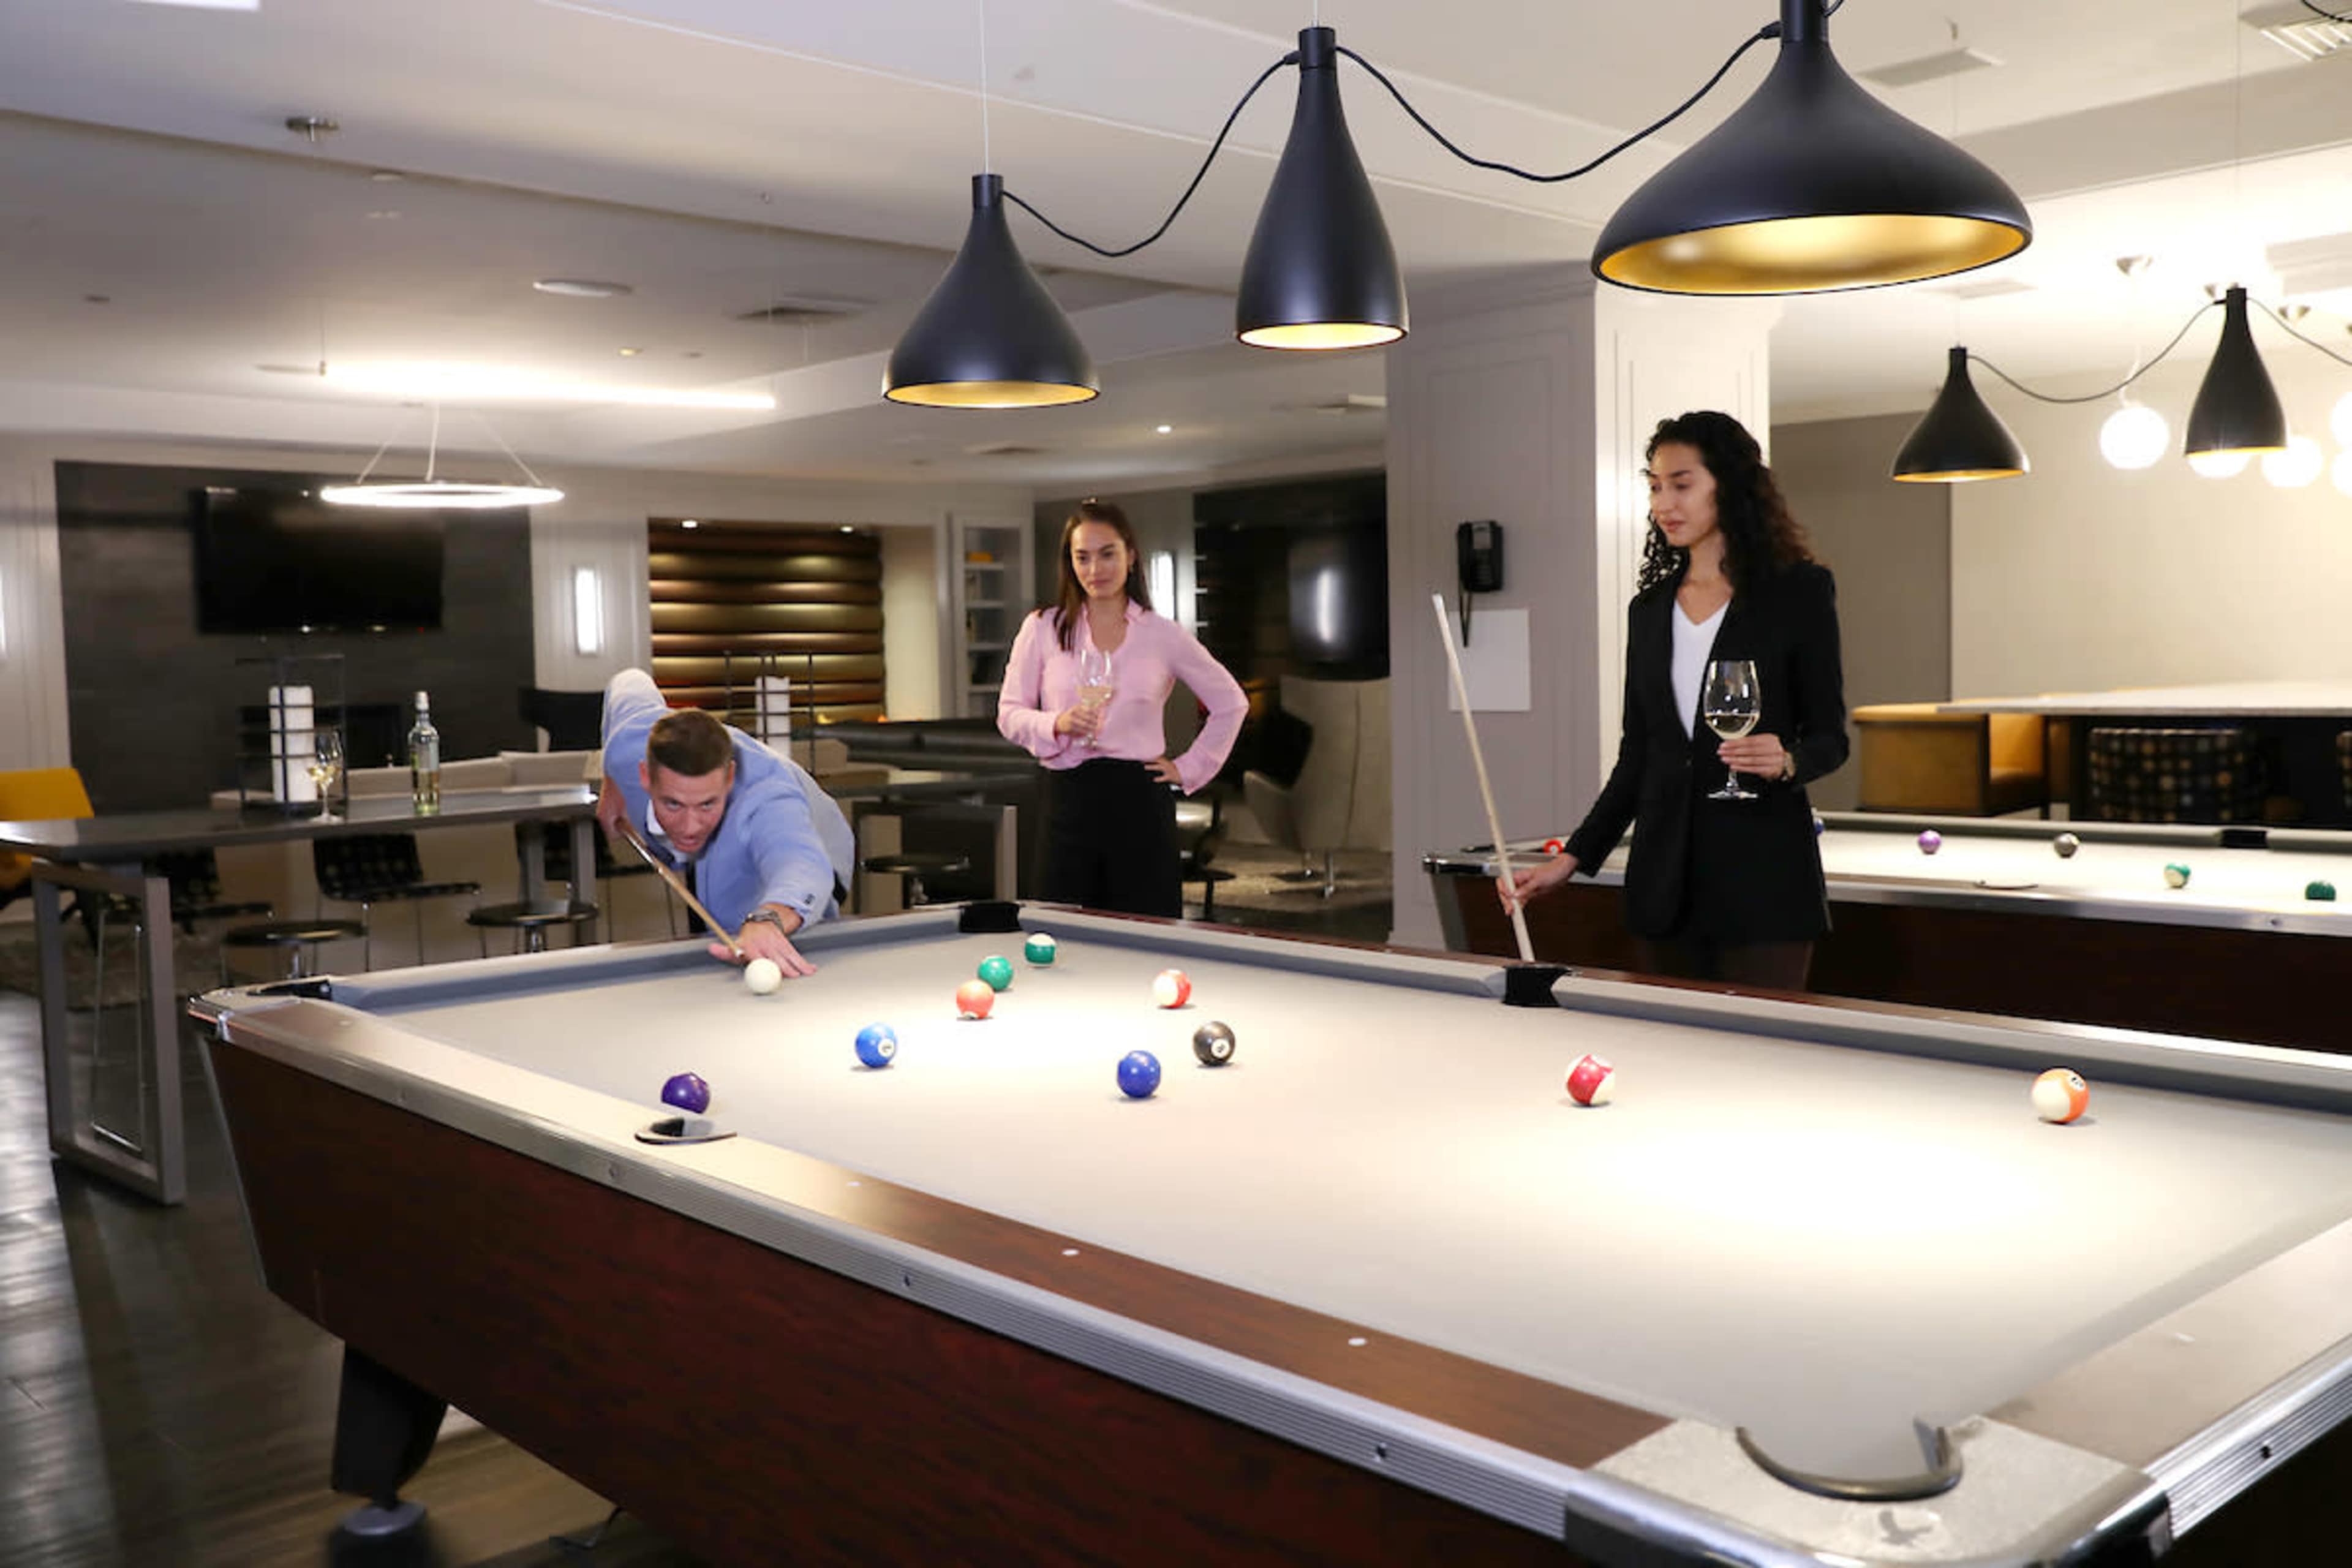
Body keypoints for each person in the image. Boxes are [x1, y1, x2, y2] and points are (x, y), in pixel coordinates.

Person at [1504, 411, 1847, 990]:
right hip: (1662, 889)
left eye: (1682, 484)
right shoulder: (1649, 609)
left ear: (1729, 486)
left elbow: (1830, 737)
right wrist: (1574, 857)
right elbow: (1640, 755)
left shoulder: (1799, 593)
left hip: (1764, 887)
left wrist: (1787, 760)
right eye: (1655, 486)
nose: (1665, 502)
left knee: (1757, 1065)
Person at [998, 499, 1248, 917]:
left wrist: (1188, 768)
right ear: (1070, 564)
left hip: (1139, 801)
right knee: (1059, 931)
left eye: (1107, 554)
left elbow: (1231, 703)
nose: (1096, 569)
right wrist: (1055, 723)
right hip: (1066, 800)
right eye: (1083, 557)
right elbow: (1009, 713)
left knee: (1145, 931)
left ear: (1131, 556)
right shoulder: (1042, 628)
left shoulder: (1163, 635)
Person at [596, 667, 854, 977]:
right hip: (719, 848)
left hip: (820, 844)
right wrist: (611, 781)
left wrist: (768, 918)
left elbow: (801, 864)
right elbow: (629, 681)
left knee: (749, 930)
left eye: (707, 804)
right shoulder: (628, 745)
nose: (690, 826)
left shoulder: (765, 798)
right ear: (643, 776)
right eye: (673, 804)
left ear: (729, 778)